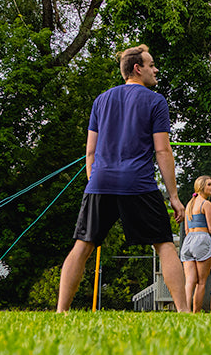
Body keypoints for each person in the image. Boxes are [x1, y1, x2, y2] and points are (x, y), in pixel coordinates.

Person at [57, 44, 190, 313]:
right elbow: (163, 150)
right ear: (137, 68)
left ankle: (60, 313)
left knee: (82, 246)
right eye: (151, 65)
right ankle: (185, 313)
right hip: (137, 183)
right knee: (164, 245)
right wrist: (174, 197)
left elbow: (90, 152)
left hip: (100, 182)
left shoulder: (101, 100)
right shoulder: (155, 101)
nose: (155, 69)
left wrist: (94, 183)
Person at [180, 175, 211, 313]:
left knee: (190, 280)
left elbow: (185, 229)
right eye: (209, 184)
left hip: (188, 241)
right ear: (202, 187)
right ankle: (196, 312)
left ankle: (184, 310)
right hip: (202, 240)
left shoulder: (189, 205)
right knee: (201, 282)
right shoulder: (206, 204)